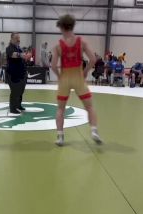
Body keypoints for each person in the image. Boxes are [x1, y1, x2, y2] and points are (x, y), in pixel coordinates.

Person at [51, 14, 102, 146]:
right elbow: (93, 59)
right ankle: (94, 131)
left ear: (62, 27)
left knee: (60, 109)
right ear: (72, 26)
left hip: (65, 79)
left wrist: (59, 76)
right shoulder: (82, 41)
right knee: (89, 107)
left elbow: (52, 65)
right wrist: (85, 72)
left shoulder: (58, 45)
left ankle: (60, 136)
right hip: (78, 77)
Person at [6, 32, 30, 114]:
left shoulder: (18, 48)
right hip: (13, 74)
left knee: (21, 91)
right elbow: (13, 55)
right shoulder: (9, 48)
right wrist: (21, 55)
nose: (18, 39)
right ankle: (12, 108)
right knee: (15, 91)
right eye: (16, 38)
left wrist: (26, 56)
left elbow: (22, 57)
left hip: (21, 74)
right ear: (12, 39)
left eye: (19, 38)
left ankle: (18, 105)